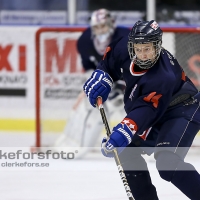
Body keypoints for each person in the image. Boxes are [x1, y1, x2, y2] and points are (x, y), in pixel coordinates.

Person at [83, 20, 200, 199]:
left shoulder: (163, 76)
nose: (143, 55)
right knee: (126, 151)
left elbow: (146, 110)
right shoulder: (123, 47)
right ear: (132, 46)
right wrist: (102, 76)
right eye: (138, 49)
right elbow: (109, 62)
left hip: (183, 108)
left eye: (148, 49)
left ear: (157, 47)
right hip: (156, 109)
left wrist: (125, 130)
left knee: (167, 163)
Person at [53, 9, 130, 158]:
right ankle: (75, 143)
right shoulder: (85, 40)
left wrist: (121, 87)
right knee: (88, 109)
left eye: (103, 26)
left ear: (111, 25)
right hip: (105, 80)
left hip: (128, 81)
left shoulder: (124, 38)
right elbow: (88, 66)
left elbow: (132, 65)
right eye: (97, 27)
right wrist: (98, 82)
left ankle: (146, 148)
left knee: (132, 112)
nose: (100, 30)